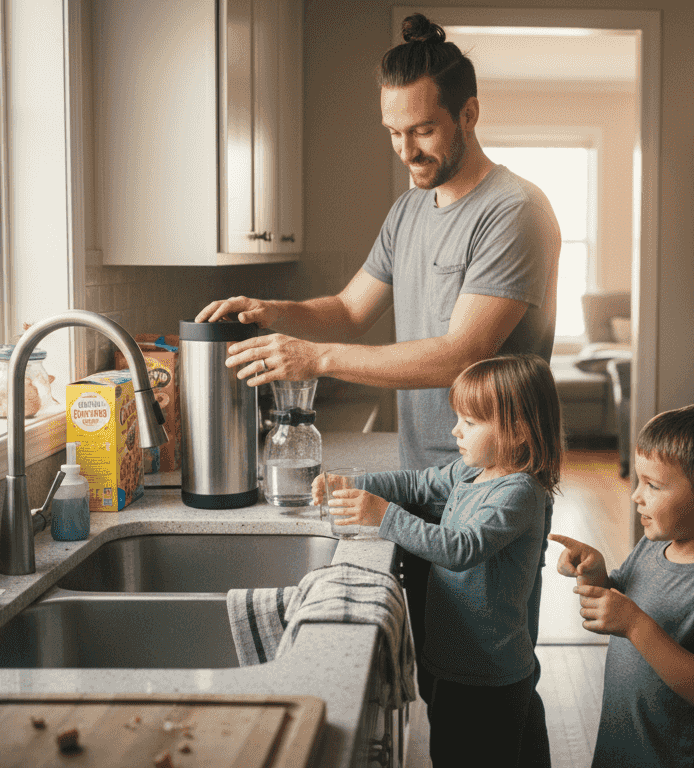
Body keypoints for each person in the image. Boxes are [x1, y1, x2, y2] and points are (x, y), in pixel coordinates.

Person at [195, 14, 560, 765]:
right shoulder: (409, 209)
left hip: (492, 486)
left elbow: (462, 353)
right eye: (393, 132)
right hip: (432, 476)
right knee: (451, 686)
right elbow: (349, 307)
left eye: (422, 130)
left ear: (469, 113)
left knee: (492, 682)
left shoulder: (514, 212)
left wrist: (314, 357)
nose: (406, 150)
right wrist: (271, 311)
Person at [314, 355, 561, 768]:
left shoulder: (518, 493)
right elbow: (416, 483)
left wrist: (385, 515)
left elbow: (461, 548)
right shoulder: (472, 472)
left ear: (518, 431)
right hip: (455, 663)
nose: (455, 430)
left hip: (489, 676)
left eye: (470, 422)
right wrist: (353, 484)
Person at [549, 402, 694, 768]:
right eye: (639, 481)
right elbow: (619, 603)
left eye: (653, 485)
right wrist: (595, 573)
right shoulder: (652, 547)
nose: (637, 495)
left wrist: (636, 625)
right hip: (621, 744)